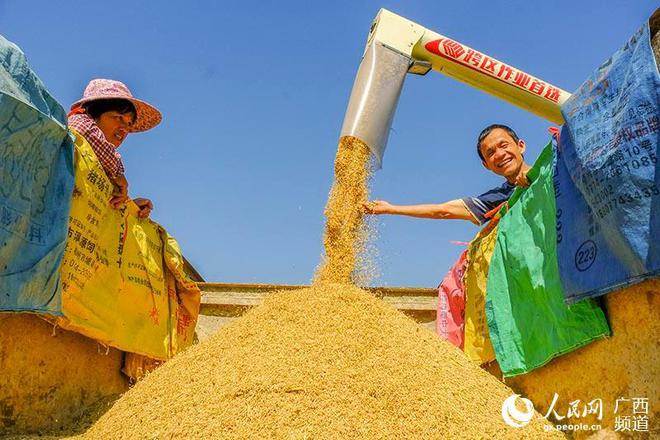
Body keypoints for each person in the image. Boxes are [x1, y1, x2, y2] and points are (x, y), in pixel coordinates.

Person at [364, 124, 531, 225]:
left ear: (521, 146)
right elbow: (444, 210)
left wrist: (537, 176)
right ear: (486, 165)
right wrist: (390, 209)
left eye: (504, 145)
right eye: (491, 153)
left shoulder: (552, 166)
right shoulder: (497, 198)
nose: (500, 154)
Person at [67, 79, 162, 218]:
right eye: (119, 117)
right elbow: (81, 128)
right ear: (92, 114)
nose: (124, 129)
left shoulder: (103, 168)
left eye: (129, 123)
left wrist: (129, 208)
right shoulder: (74, 130)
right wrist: (117, 174)